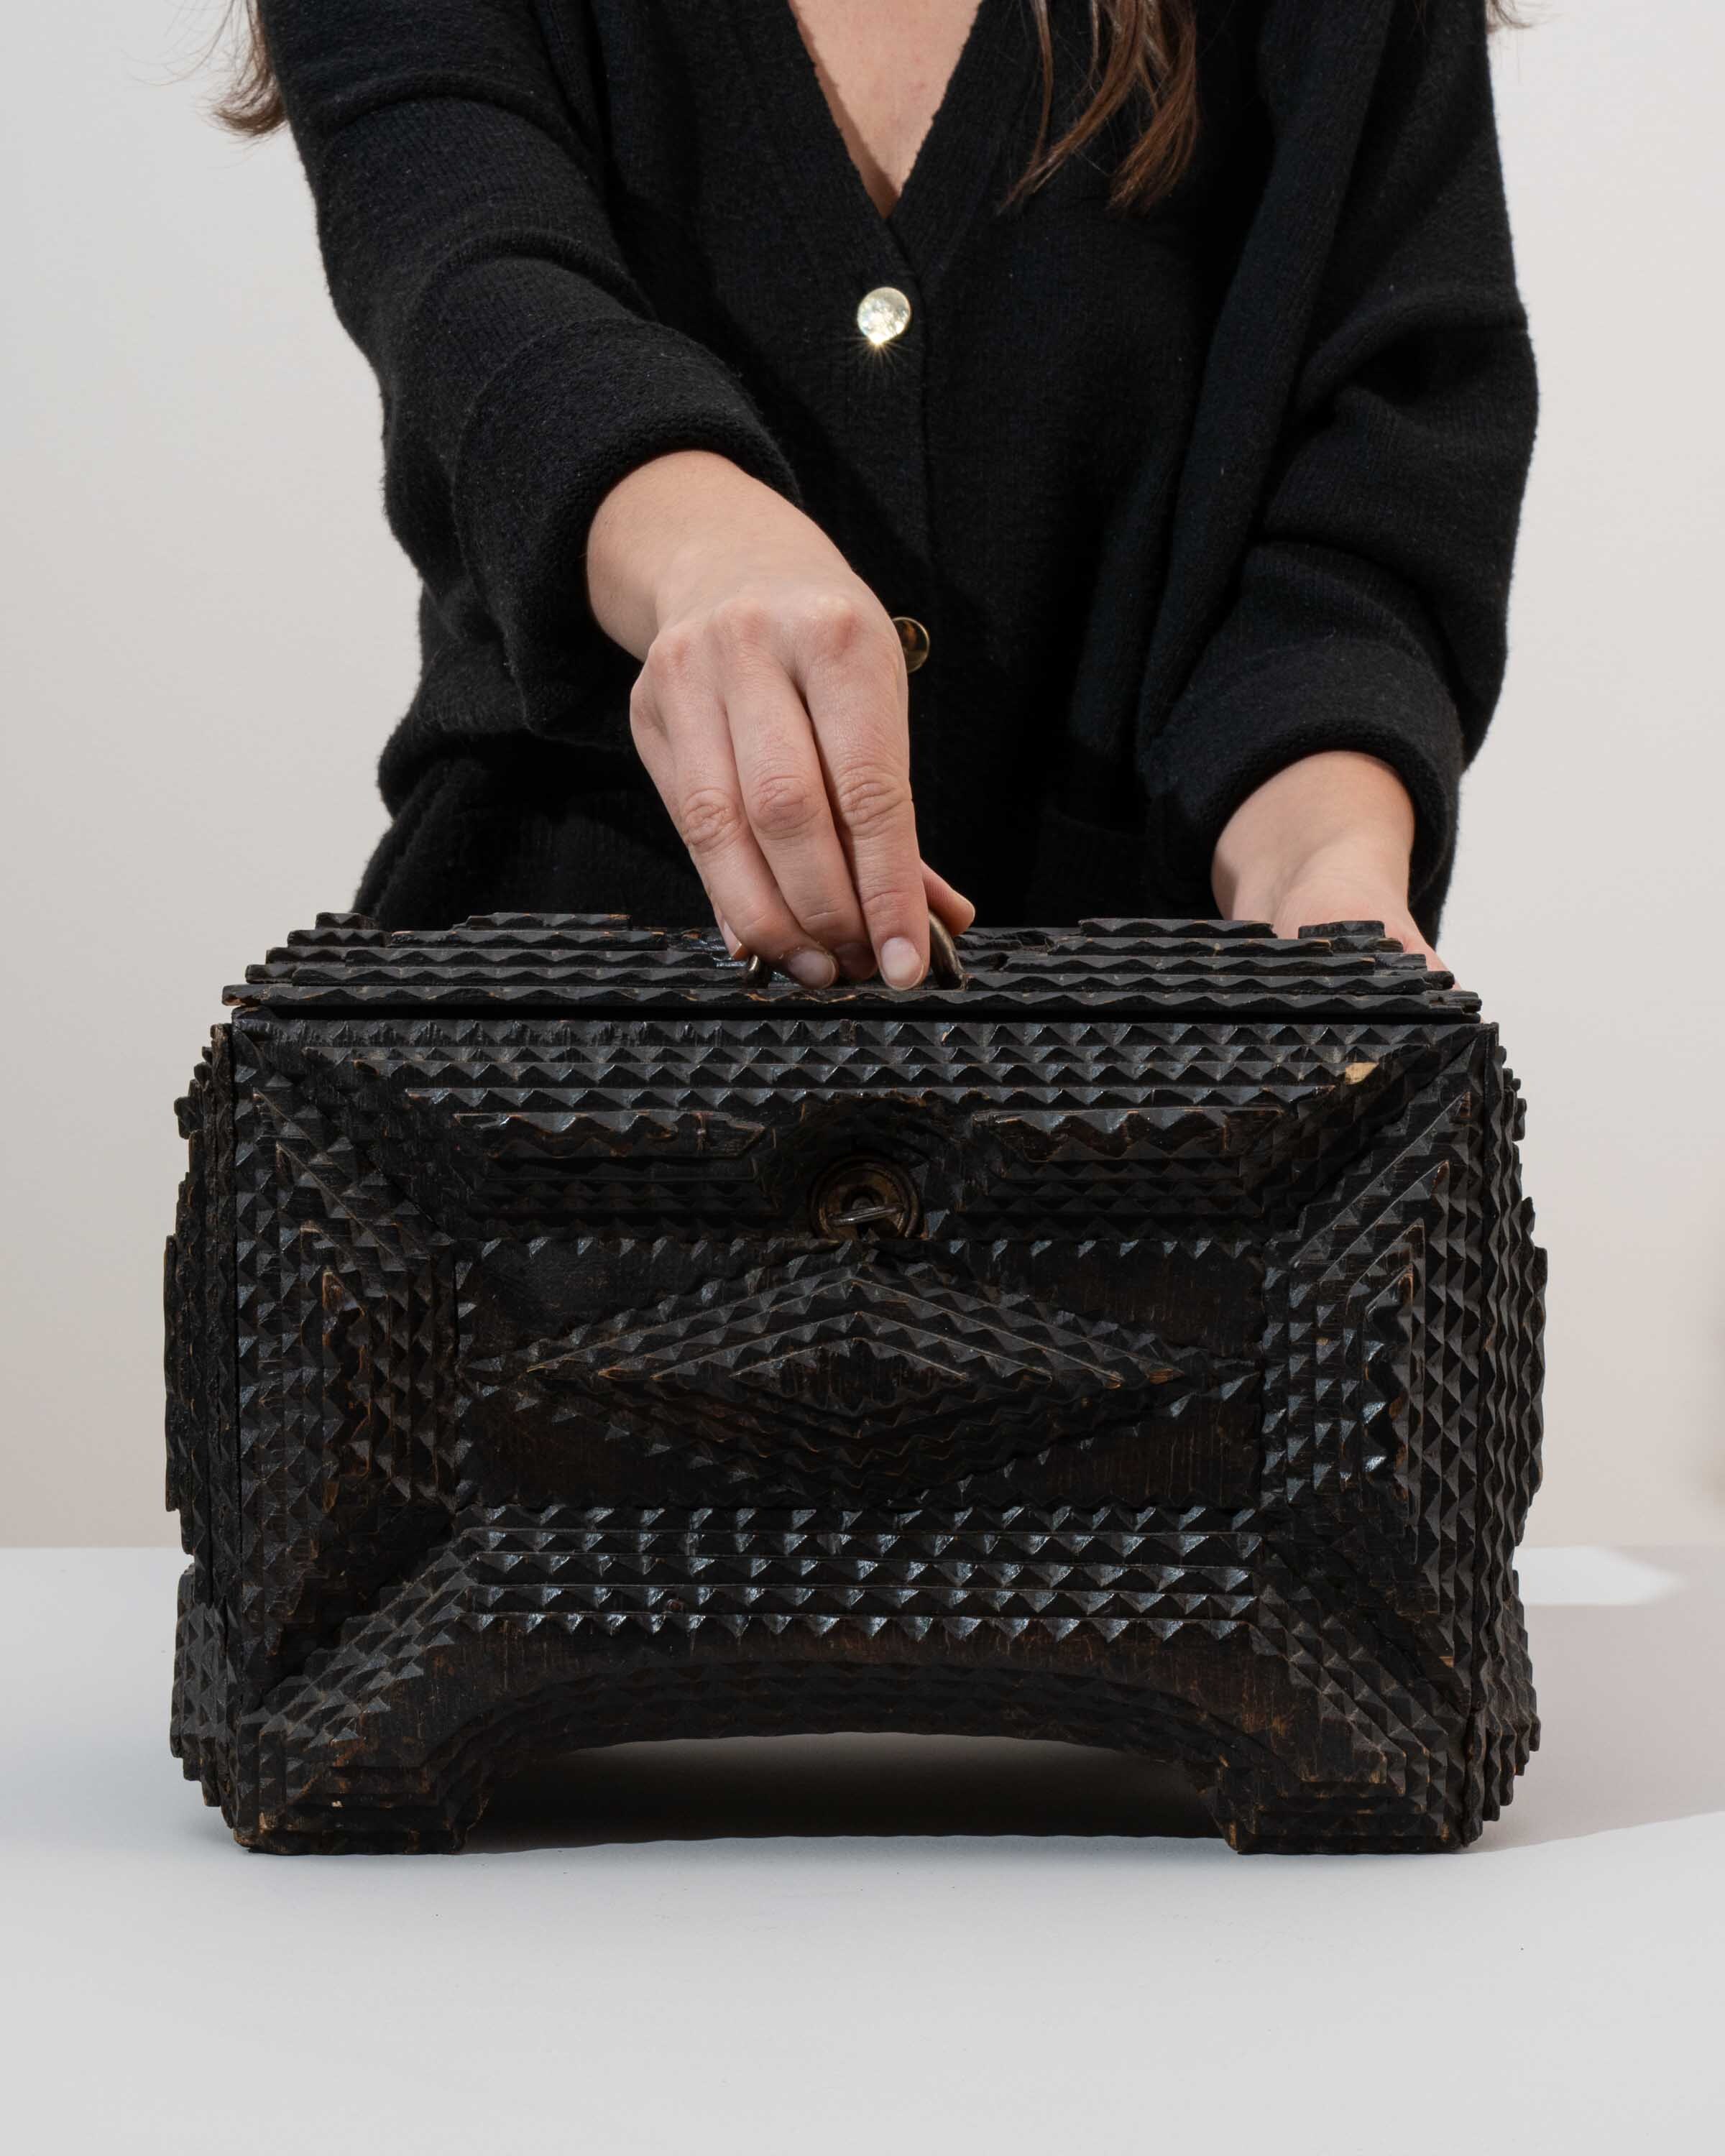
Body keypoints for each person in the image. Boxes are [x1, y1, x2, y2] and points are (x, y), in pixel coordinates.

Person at [221, 0, 1535, 987]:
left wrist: (1326, 867)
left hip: (1159, 1149)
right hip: (542, 1110)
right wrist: (700, 551)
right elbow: (471, 286)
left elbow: (1367, 494)